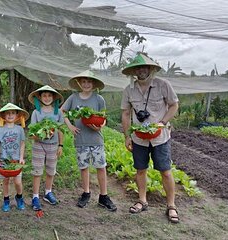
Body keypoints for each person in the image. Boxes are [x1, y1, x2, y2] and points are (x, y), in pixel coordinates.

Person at [121, 52, 180, 223]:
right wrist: (126, 136)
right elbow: (125, 113)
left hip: (160, 136)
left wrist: (163, 122)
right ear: (133, 71)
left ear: (151, 68)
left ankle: (171, 206)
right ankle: (142, 200)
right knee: (140, 169)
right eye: (138, 67)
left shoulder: (163, 85)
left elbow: (174, 105)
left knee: (165, 171)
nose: (142, 70)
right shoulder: (128, 90)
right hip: (138, 137)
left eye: (145, 66)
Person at [61, 70, 117, 212]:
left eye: (89, 81)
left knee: (101, 166)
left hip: (96, 139)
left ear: (94, 84)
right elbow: (62, 111)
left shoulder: (98, 99)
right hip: (81, 138)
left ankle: (103, 196)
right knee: (84, 167)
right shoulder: (73, 98)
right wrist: (70, 126)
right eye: (84, 82)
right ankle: (86, 193)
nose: (86, 84)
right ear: (80, 83)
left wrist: (99, 127)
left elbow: (103, 118)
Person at [28, 85, 64, 210]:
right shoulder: (36, 112)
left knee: (51, 170)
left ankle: (48, 192)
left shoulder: (57, 112)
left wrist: (60, 145)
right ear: (40, 97)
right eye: (44, 95)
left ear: (53, 97)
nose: (47, 98)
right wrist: (39, 136)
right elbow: (32, 132)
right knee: (37, 171)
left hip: (53, 146)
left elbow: (60, 130)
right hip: (39, 145)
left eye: (49, 95)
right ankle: (35, 196)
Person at [0, 103, 29, 212]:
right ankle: (6, 200)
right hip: (4, 160)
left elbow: (22, 144)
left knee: (18, 182)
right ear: (3, 116)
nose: (10, 115)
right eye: (7, 113)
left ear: (17, 116)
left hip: (16, 160)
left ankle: (19, 197)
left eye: (13, 113)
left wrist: (21, 158)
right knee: (6, 181)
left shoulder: (19, 129)